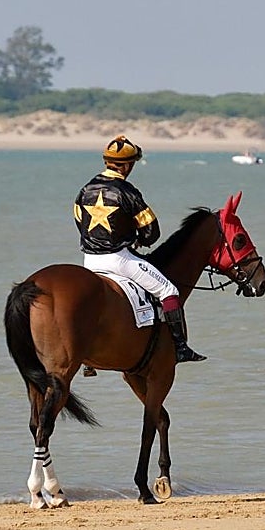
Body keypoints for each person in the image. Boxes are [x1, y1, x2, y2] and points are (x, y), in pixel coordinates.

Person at [74, 135, 206, 364]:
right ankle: (180, 347)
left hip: (90, 261)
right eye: (131, 164)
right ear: (126, 165)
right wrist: (138, 240)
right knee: (168, 291)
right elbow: (151, 231)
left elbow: (79, 220)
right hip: (119, 259)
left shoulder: (85, 189)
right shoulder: (127, 191)